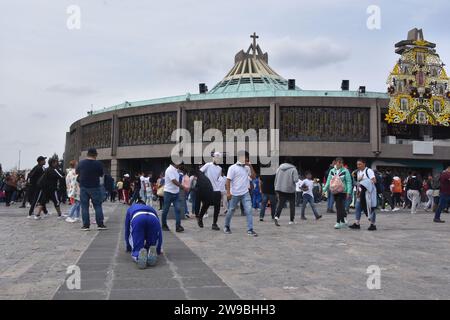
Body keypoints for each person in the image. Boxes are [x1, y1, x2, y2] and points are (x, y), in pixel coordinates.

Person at [224, 151, 258, 236]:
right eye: (244, 157)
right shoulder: (232, 168)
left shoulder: (247, 168)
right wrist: (228, 193)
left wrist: (250, 166)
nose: (246, 159)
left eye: (247, 157)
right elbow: (228, 181)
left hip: (245, 193)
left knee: (249, 210)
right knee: (231, 210)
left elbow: (253, 177)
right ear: (239, 158)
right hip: (234, 193)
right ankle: (226, 226)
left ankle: (250, 229)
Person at [76, 148, 107, 231]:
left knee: (84, 207)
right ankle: (100, 224)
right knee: (97, 206)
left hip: (83, 187)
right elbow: (101, 174)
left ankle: (86, 225)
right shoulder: (98, 164)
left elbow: (77, 172)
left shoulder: (81, 163)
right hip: (95, 187)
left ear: (87, 154)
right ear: (95, 155)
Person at [124, 201, 162, 269]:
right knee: (151, 243)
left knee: (137, 245)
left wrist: (128, 246)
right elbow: (159, 232)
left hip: (138, 218)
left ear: (137, 204)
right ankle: (151, 250)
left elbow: (127, 229)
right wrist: (158, 249)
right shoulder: (150, 208)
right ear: (144, 204)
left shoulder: (131, 208)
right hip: (153, 219)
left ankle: (138, 255)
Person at [323, 157, 352, 229]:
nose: (339, 164)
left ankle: (338, 222)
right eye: (338, 162)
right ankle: (343, 219)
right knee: (339, 206)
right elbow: (328, 181)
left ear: (342, 163)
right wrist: (324, 189)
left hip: (343, 191)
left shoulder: (346, 171)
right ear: (335, 162)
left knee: (339, 206)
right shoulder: (332, 171)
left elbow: (349, 182)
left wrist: (348, 192)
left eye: (341, 162)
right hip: (334, 191)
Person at [348, 159, 377, 231]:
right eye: (357, 164)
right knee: (357, 206)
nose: (358, 166)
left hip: (368, 193)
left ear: (364, 164)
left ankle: (373, 224)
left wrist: (363, 182)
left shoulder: (369, 171)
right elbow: (358, 183)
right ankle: (357, 223)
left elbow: (374, 180)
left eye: (360, 164)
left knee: (370, 208)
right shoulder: (358, 172)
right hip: (360, 193)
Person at [198, 152, 223, 228]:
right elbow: (200, 172)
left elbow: (217, 179)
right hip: (208, 190)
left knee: (217, 207)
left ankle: (214, 224)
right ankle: (200, 218)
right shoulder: (208, 165)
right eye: (216, 157)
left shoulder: (220, 168)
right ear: (213, 158)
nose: (217, 159)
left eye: (218, 158)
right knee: (205, 205)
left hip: (217, 190)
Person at [161, 161, 185, 233]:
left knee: (178, 209)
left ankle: (178, 226)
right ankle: (164, 225)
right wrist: (182, 187)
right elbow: (174, 181)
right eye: (179, 163)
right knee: (165, 210)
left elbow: (177, 180)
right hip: (168, 193)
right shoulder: (169, 170)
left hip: (176, 193)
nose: (180, 165)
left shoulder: (176, 170)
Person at [274, 157, 299, 226]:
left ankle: (276, 217)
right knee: (292, 205)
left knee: (280, 204)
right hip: (290, 190)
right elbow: (296, 180)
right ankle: (291, 220)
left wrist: (275, 187)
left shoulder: (279, 168)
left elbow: (276, 179)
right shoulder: (293, 169)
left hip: (280, 189)